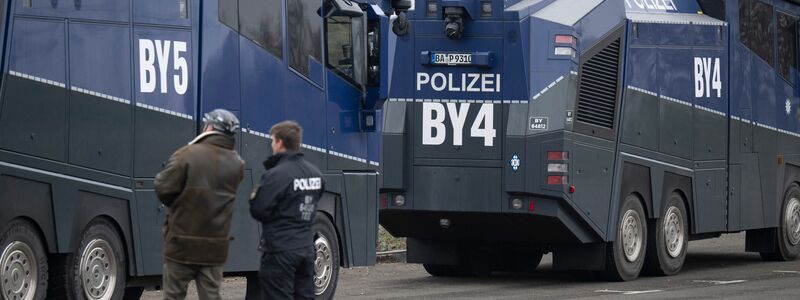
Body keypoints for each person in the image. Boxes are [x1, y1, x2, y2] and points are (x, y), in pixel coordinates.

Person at [154, 109, 245, 300]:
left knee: (173, 296)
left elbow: (163, 188)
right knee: (211, 296)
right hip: (215, 249)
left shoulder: (186, 154)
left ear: (210, 127)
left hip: (181, 243)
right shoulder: (237, 164)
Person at [250, 121, 324, 300]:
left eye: (273, 141)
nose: (272, 145)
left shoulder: (276, 175)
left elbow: (259, 209)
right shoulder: (315, 174)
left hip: (280, 250)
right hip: (306, 249)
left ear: (280, 143)